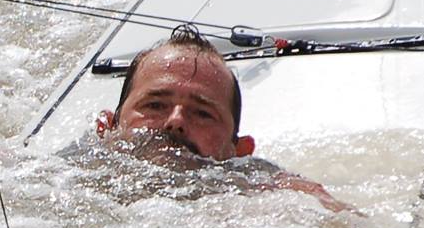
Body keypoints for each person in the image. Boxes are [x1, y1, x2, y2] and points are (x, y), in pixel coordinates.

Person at [94, 29, 345, 210]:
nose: (176, 121)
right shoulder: (65, 179)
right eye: (155, 105)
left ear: (240, 151)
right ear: (106, 127)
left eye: (203, 113)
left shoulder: (268, 192)